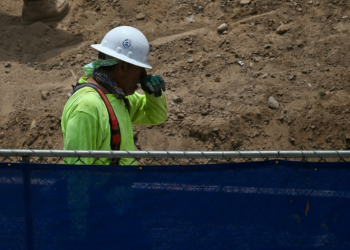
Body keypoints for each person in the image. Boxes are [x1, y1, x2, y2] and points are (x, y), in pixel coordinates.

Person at [61, 26, 168, 165]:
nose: (143, 75)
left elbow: (156, 116)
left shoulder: (118, 98)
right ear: (122, 66)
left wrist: (153, 93)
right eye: (140, 68)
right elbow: (76, 174)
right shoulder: (87, 107)